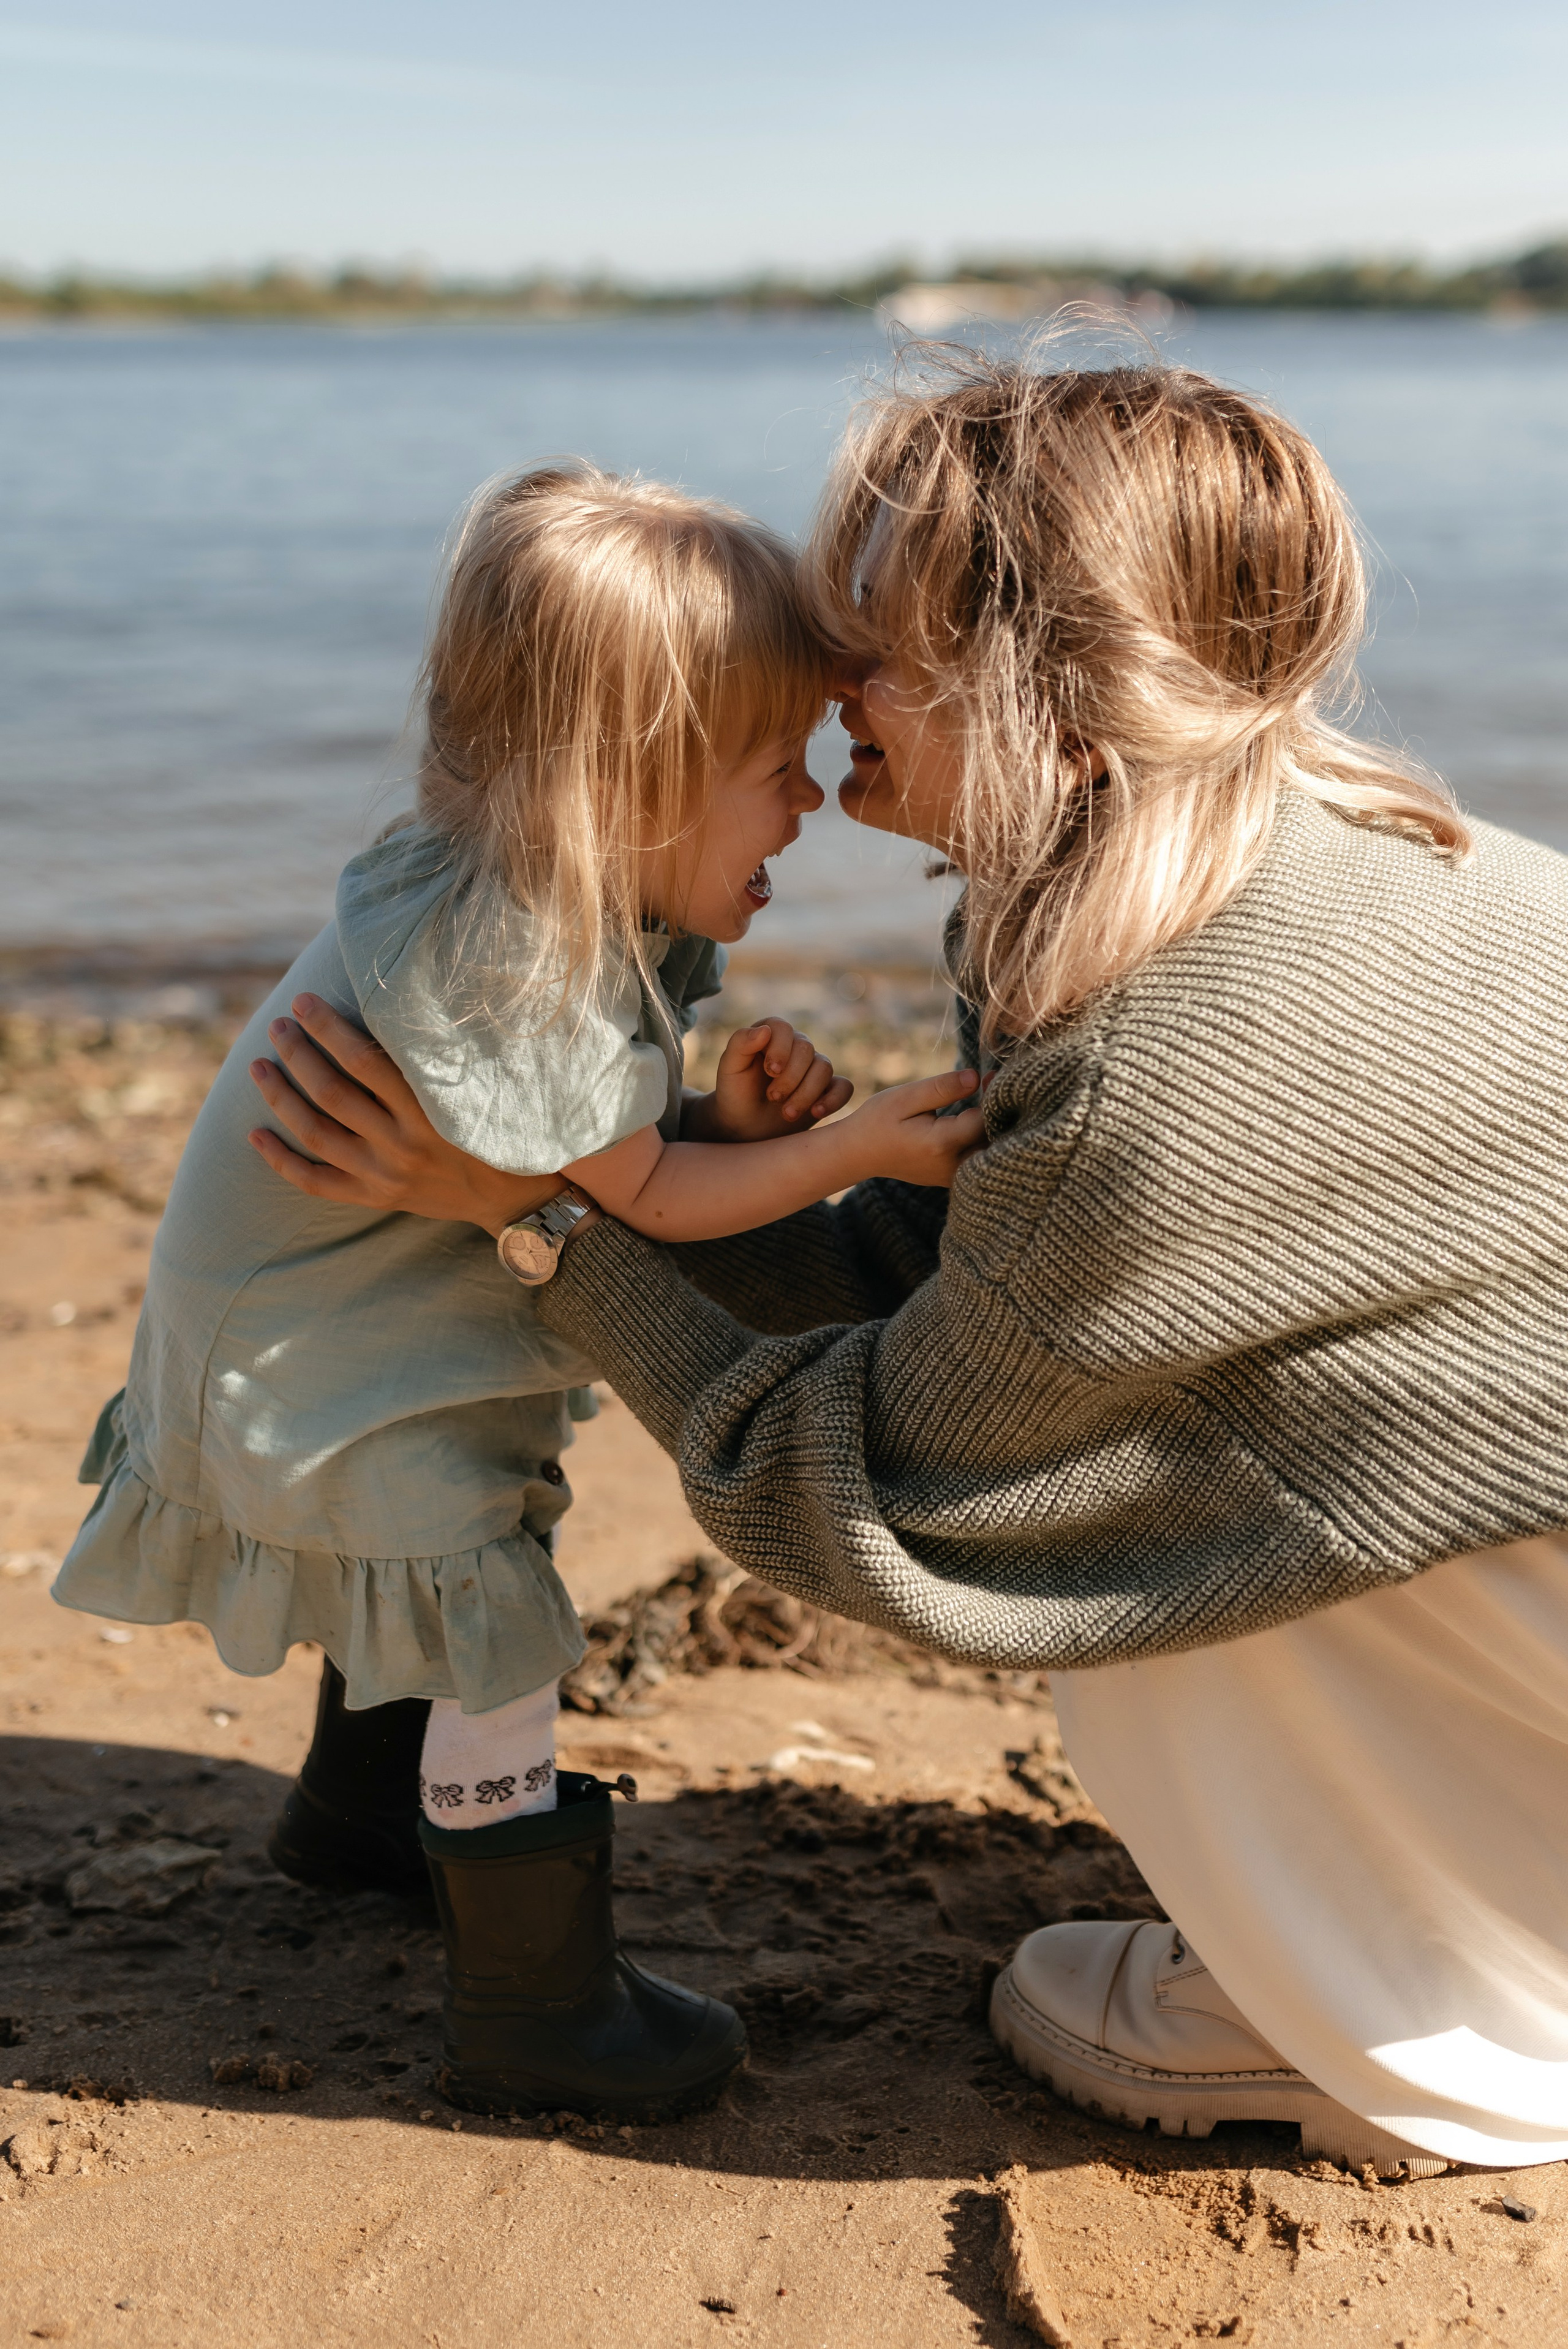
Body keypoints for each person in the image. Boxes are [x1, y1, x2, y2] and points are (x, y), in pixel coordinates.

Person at [247, 349, 1568, 2181]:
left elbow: (883, 1489)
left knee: (1118, 1513)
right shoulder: (1329, 849)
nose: (827, 664)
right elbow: (983, 1267)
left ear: (1061, 699)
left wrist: (532, 1218)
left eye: (885, 633)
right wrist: (750, 1170)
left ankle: (1407, 2017)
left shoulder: (1153, 1058)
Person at [54, 464, 982, 2124]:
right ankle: (534, 2005)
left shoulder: (524, 892)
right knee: (484, 1609)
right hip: (317, 1371)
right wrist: (859, 1149)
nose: (809, 808)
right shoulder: (519, 959)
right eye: (773, 774)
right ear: (627, 793)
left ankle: (359, 1819)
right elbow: (638, 1199)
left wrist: (724, 1122)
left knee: (439, 1542)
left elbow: (596, 1156)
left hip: (303, 1335)